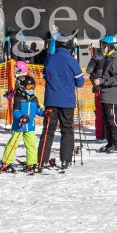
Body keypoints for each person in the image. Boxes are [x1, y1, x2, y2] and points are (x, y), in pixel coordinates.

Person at [39, 36, 84, 169]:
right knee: (67, 130)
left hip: (51, 100)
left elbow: (44, 76)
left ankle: (42, 159)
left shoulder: (49, 59)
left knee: (48, 130)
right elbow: (80, 82)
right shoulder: (72, 61)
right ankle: (66, 160)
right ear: (69, 46)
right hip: (67, 102)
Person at [1, 75, 42, 173]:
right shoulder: (18, 98)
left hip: (30, 127)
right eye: (29, 87)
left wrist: (45, 113)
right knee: (13, 144)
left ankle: (31, 163)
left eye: (33, 86)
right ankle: (6, 162)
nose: (31, 89)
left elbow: (38, 110)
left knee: (31, 145)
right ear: (22, 87)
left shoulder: (34, 99)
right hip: (19, 126)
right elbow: (15, 111)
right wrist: (21, 117)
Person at [93, 36, 117, 153]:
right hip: (105, 95)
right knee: (106, 120)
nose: (103, 49)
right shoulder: (109, 59)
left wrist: (101, 81)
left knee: (113, 121)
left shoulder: (115, 60)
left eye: (104, 46)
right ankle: (111, 143)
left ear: (112, 46)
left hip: (112, 96)